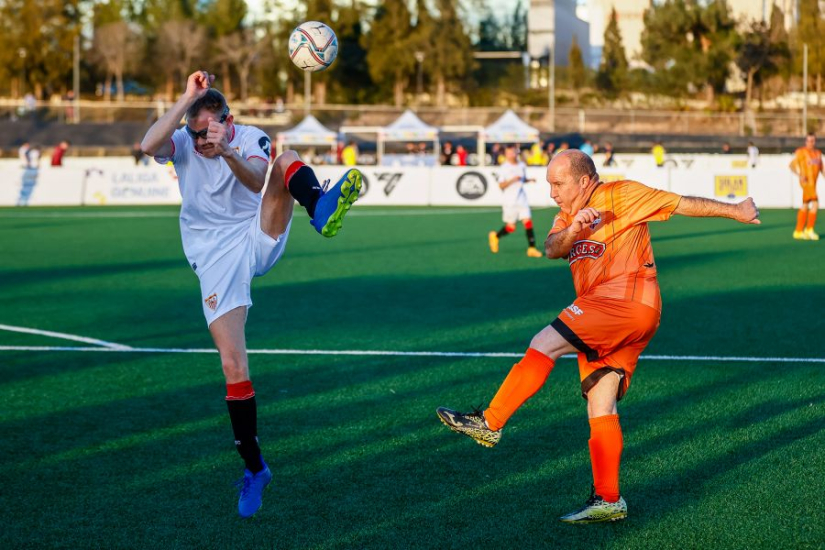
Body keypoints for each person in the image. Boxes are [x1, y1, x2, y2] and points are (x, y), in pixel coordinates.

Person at [438, 149, 760, 523]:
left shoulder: (621, 194)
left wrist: (735, 210)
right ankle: (608, 499)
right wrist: (574, 228)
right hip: (618, 315)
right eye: (549, 185)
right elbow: (551, 248)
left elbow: (682, 203)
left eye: (558, 184)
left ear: (585, 180)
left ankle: (490, 422)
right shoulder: (566, 216)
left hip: (623, 300)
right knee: (600, 403)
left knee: (544, 342)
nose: (553, 193)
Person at [140, 70, 362, 518]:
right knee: (232, 364)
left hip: (256, 234)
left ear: (229, 120)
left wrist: (223, 151)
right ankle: (256, 468)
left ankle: (319, 207)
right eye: (195, 131)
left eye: (209, 130)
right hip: (214, 258)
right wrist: (187, 99)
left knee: (287, 160)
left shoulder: (248, 138)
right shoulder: (183, 143)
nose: (200, 140)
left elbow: (256, 180)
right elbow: (148, 145)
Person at [488, 144, 542, 258]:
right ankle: (496, 236)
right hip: (510, 201)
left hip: (522, 199)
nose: (510, 155)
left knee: (527, 221)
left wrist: (529, 180)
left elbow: (522, 179)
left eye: (512, 152)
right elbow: (501, 185)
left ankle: (531, 248)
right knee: (511, 227)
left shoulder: (521, 165)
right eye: (508, 153)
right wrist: (512, 180)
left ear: (516, 152)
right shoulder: (504, 168)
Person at [789, 133, 821, 240]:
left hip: (813, 183)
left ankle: (798, 231)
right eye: (809, 141)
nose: (811, 143)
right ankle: (809, 230)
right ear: (805, 142)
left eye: (813, 141)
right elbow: (791, 165)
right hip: (806, 182)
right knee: (815, 204)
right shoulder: (801, 152)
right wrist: (799, 175)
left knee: (805, 205)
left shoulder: (818, 153)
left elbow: (821, 168)